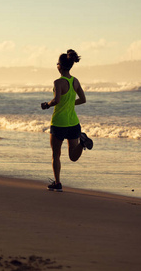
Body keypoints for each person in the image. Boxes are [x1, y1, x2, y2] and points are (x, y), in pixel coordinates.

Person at [41, 49, 93, 192]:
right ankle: (82, 142)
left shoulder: (58, 82)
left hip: (59, 123)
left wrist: (46, 105)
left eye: (57, 63)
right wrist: (70, 104)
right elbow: (83, 99)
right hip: (73, 123)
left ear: (60, 66)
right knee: (73, 156)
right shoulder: (75, 81)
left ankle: (57, 183)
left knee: (56, 154)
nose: (56, 65)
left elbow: (56, 100)